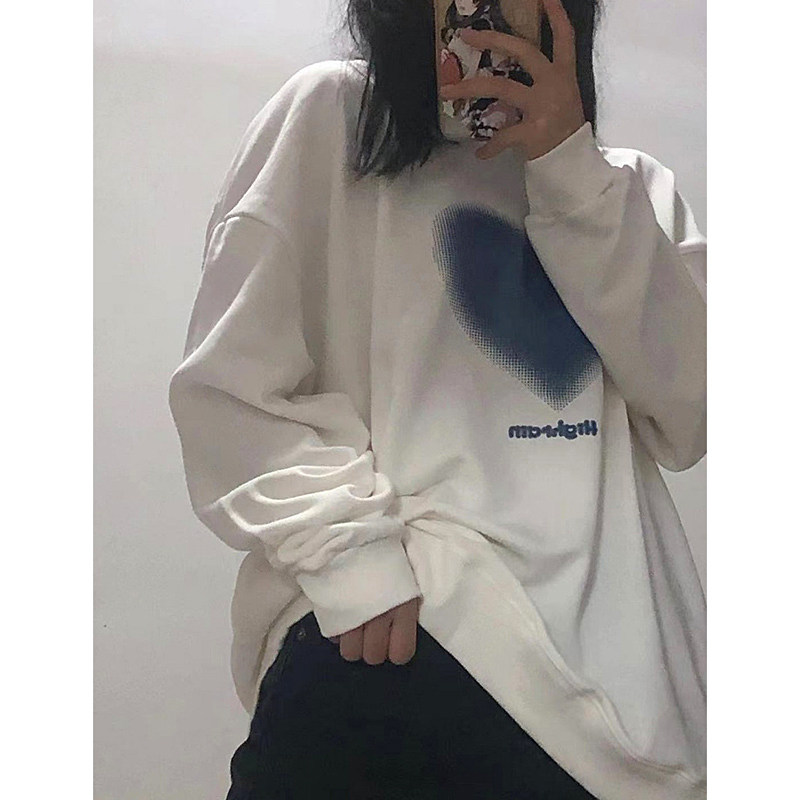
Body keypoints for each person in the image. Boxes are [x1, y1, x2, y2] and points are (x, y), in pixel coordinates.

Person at [168, 0, 707, 797]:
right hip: (386, 647)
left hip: (612, 717)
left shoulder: (634, 190)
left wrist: (569, 167)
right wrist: (354, 565)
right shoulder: (338, 117)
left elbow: (694, 412)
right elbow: (231, 387)